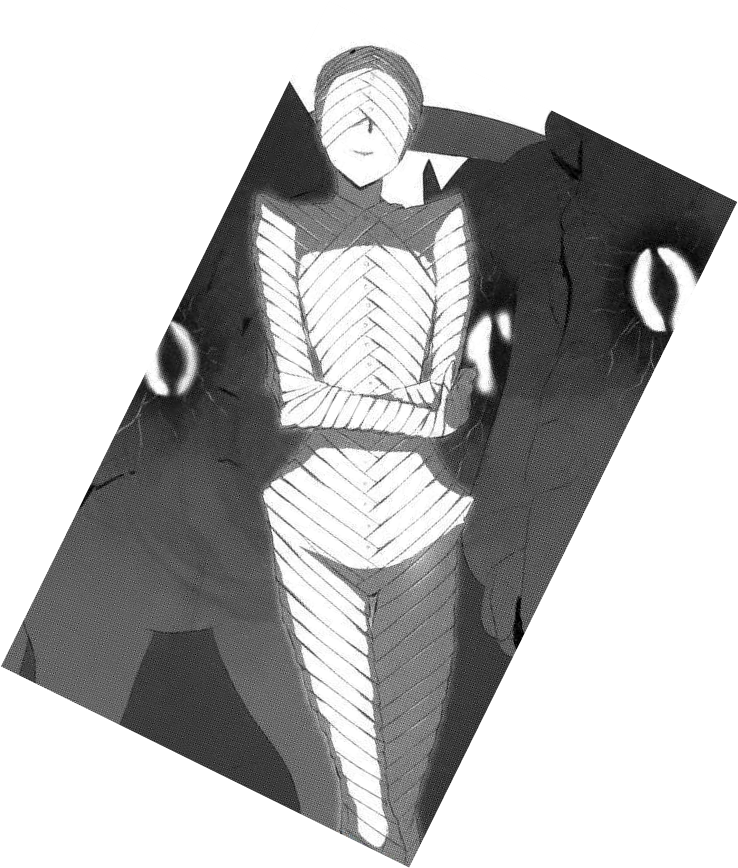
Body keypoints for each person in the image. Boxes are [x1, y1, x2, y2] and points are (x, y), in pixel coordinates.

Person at [252, 45, 476, 864]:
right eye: (348, 104)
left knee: (407, 767)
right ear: (318, 124)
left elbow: (441, 393)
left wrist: (396, 409)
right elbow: (299, 400)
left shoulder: (444, 227)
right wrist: (417, 413)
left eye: (386, 105)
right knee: (361, 788)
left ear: (412, 126)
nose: (368, 120)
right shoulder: (281, 227)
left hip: (423, 517)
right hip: (312, 516)